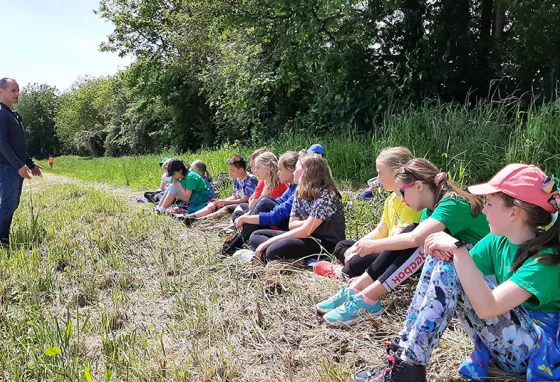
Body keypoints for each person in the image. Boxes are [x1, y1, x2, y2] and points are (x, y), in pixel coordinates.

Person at [357, 164, 560, 382]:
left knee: (451, 259)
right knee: (443, 259)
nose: (483, 210)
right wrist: (448, 251)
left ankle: (410, 367)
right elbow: (457, 272)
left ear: (514, 213)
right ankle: (404, 355)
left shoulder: (546, 261)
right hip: (506, 340)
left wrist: (457, 248)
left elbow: (488, 308)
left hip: (531, 353)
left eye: (490, 204)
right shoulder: (498, 241)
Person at [319, 158, 489, 325]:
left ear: (419, 186)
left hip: (485, 276)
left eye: (402, 192)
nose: (401, 198)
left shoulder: (452, 204)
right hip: (465, 267)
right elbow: (411, 237)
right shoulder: (431, 209)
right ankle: (357, 289)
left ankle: (368, 298)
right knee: (414, 230)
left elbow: (415, 240)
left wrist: (373, 245)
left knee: (420, 239)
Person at [315, 147, 421, 279]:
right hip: (384, 246)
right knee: (342, 245)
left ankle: (342, 272)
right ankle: (351, 269)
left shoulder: (410, 202)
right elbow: (380, 230)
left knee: (361, 260)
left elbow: (397, 242)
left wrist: (368, 249)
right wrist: (357, 247)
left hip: (397, 252)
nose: (377, 178)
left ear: (396, 173)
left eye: (380, 173)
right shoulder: (391, 199)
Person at [249, 154, 345, 262]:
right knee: (256, 235)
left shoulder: (327, 195)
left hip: (323, 242)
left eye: (297, 168)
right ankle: (269, 253)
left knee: (274, 248)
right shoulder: (299, 191)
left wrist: (268, 242)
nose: (294, 172)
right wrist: (309, 222)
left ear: (307, 171)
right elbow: (292, 224)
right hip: (305, 235)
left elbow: (305, 231)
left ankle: (268, 252)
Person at [222, 151, 299, 254]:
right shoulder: (291, 187)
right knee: (263, 201)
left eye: (280, 169)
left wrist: (246, 218)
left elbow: (276, 215)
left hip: (287, 227)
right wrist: (247, 217)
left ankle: (233, 245)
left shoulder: (297, 190)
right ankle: (234, 243)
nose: (278, 172)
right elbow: (277, 202)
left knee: (262, 205)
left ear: (292, 170)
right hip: (280, 221)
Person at [0, 78, 42, 245]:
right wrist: (18, 166)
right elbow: (2, 143)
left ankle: (3, 236)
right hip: (7, 167)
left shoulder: (10, 114)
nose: (17, 94)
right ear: (1, 91)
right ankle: (2, 239)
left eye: (18, 90)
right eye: (13, 90)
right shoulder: (1, 114)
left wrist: (30, 164)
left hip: (12, 166)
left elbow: (18, 146)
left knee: (11, 204)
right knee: (9, 204)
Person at [180, 154, 258, 224]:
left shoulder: (250, 180)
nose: (230, 173)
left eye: (232, 170)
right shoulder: (237, 179)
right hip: (237, 202)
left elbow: (245, 200)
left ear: (241, 170)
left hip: (244, 205)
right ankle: (191, 216)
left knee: (223, 208)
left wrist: (225, 202)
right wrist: (222, 201)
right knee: (213, 204)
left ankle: (200, 219)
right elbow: (234, 196)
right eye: (229, 170)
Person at [231, 152, 288, 223]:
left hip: (269, 220)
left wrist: (246, 218)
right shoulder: (263, 181)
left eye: (257, 167)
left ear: (268, 168)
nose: (255, 171)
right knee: (237, 214)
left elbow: (259, 208)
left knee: (242, 218)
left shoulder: (278, 186)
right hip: (262, 214)